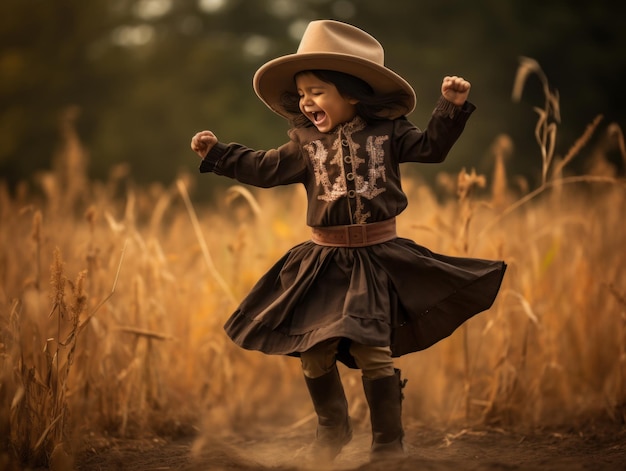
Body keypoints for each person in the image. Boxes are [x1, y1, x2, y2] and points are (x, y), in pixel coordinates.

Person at [190, 19, 506, 461]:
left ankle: (388, 446)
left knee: (373, 350)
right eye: (302, 93)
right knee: (313, 351)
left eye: (318, 90)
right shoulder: (302, 143)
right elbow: (262, 168)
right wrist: (219, 154)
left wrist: (449, 108)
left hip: (377, 258)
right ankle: (331, 431)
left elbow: (433, 148)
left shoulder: (391, 134)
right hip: (324, 261)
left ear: (353, 93)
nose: (306, 101)